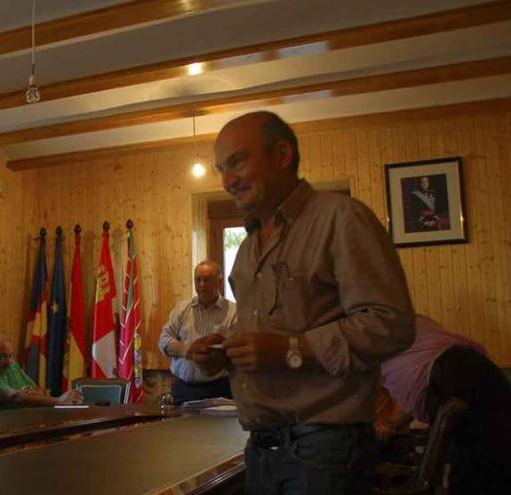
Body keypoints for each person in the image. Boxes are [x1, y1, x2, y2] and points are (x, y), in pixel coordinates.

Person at [193, 111, 414, 495]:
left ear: (282, 155)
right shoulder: (246, 250)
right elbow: (264, 335)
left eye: (237, 162)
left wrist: (292, 349)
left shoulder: (342, 219)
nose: (227, 180)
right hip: (260, 449)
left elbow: (391, 324)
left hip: (325, 451)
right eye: (221, 169)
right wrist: (225, 353)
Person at [377, 315, 511, 494]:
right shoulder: (406, 320)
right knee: (494, 455)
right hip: (476, 365)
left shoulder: (370, 335)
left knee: (477, 466)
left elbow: (412, 384)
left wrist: (389, 425)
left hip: (448, 377)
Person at [158, 260, 237, 404]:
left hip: (219, 389)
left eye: (207, 280)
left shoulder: (233, 312)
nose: (201, 285)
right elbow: (163, 340)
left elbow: (237, 349)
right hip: (183, 389)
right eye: (198, 279)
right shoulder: (182, 309)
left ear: (219, 282)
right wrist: (187, 350)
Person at [0, 334, 83, 412]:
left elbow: (38, 389)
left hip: (18, 424)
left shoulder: (12, 366)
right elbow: (14, 397)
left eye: (10, 356)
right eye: (1, 357)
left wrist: (35, 392)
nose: (7, 362)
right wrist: (58, 401)